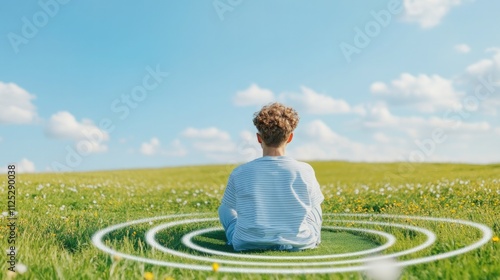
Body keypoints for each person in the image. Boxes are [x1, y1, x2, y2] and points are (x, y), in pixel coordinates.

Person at [218, 102, 324, 251]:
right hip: (299, 243)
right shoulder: (305, 170)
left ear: (259, 138)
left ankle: (249, 235)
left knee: (225, 207)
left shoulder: (239, 172)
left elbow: (229, 208)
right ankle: (305, 237)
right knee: (315, 206)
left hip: (247, 243)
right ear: (290, 137)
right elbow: (313, 207)